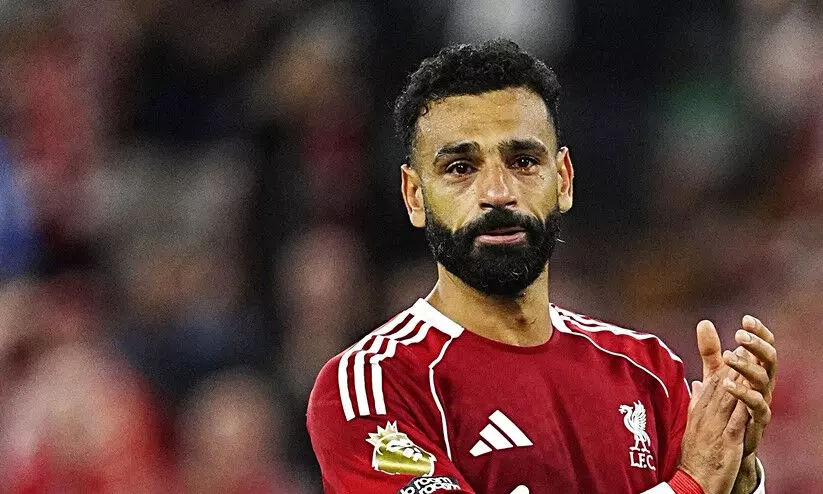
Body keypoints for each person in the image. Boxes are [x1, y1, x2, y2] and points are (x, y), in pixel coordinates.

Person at [306, 40, 777, 494]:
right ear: (414, 196)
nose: (498, 192)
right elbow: (695, 482)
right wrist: (694, 485)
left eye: (524, 161)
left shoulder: (649, 374)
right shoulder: (374, 386)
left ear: (564, 180)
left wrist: (737, 476)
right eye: (460, 168)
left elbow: (709, 476)